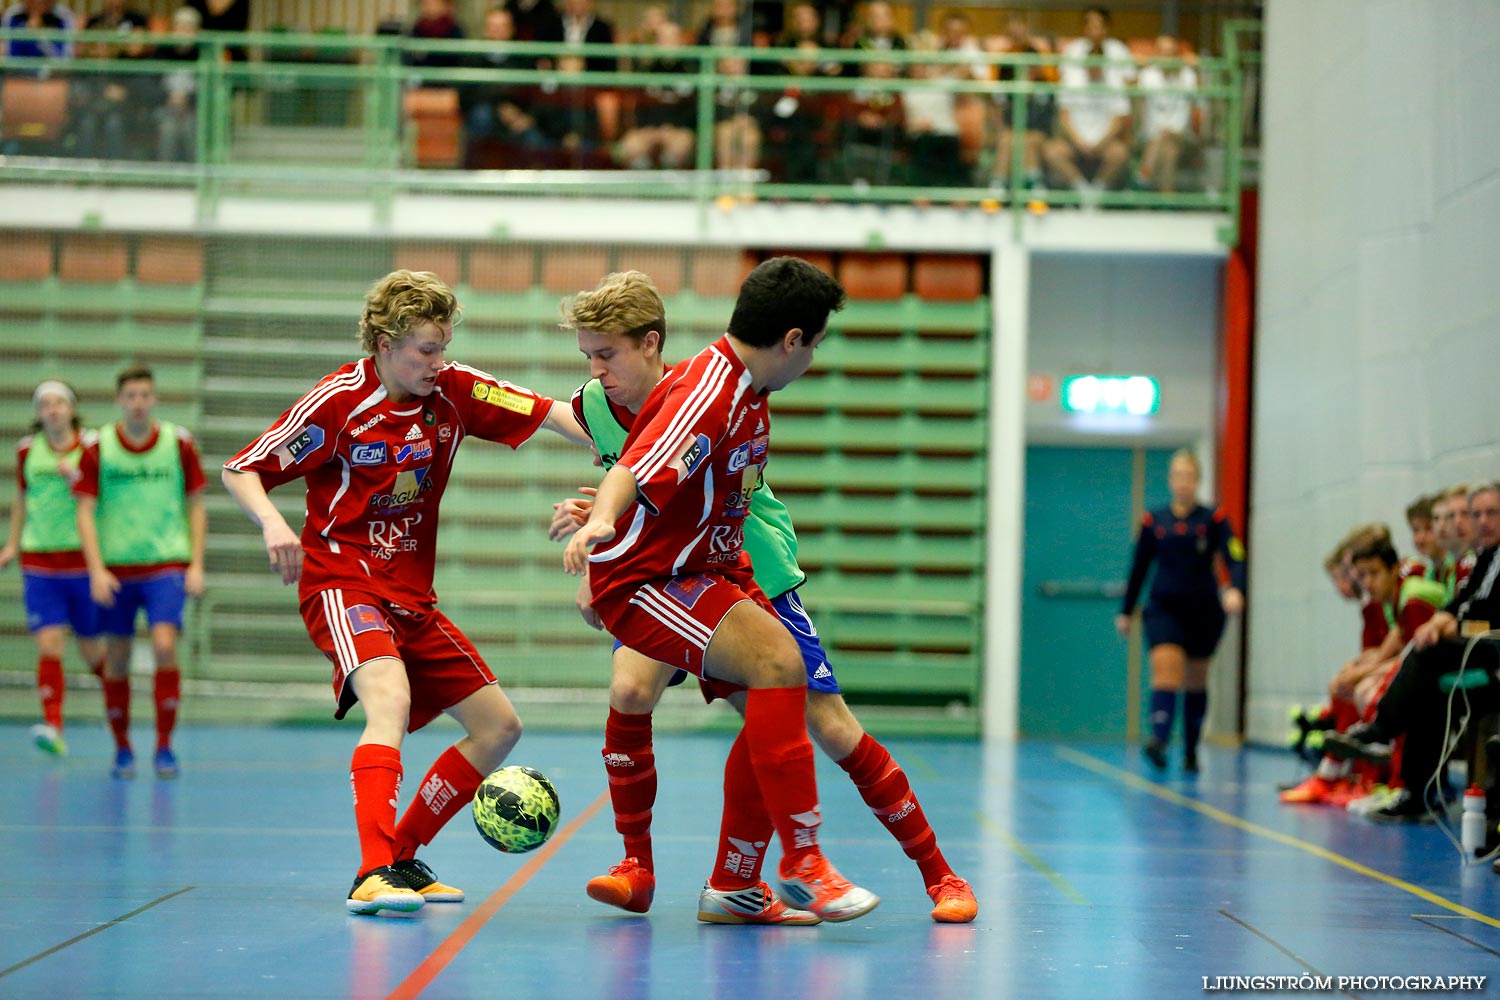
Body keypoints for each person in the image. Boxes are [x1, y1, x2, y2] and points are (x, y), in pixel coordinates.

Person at [553, 270, 978, 924]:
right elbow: (632, 471)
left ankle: (745, 882)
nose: (598, 369)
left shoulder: (746, 392)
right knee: (750, 670)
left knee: (793, 711)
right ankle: (795, 861)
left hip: (723, 572)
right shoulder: (707, 392)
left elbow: (683, 487)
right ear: (792, 340)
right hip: (652, 580)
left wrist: (616, 517)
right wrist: (605, 521)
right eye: (815, 347)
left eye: (606, 353)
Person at [222, 270, 592, 915]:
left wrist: (634, 458)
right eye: (425, 348)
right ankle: (371, 873)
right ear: (385, 342)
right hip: (342, 582)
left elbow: (556, 414)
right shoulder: (339, 401)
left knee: (498, 727)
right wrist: (274, 522)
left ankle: (401, 857)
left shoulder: (453, 390)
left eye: (443, 346)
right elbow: (241, 469)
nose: (437, 361)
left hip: (410, 598)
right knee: (387, 701)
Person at [1324, 482, 1500, 823]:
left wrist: (1453, 624)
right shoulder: (1483, 557)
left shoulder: (1426, 583)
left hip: (1492, 658)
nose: (1479, 521)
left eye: (1489, 513)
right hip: (1476, 650)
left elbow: (1488, 610)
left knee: (1426, 656)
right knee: (1428, 682)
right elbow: (1461, 601)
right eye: (1475, 513)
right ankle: (1417, 793)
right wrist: (1444, 619)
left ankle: (1381, 731)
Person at [73, 365, 205, 780]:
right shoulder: (98, 447)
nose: (138, 402)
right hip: (116, 569)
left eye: (145, 394)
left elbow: (196, 505)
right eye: (130, 395)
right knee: (117, 658)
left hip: (165, 564)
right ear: (119, 400)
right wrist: (95, 569)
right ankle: (123, 747)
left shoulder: (177, 443)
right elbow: (84, 511)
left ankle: (164, 745)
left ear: (154, 399)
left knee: (165, 646)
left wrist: (195, 563)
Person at [1116, 449, 1245, 772]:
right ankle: (1159, 740)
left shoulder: (1213, 519)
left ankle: (1190, 750)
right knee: (1166, 669)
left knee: (1196, 680)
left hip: (1203, 609)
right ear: (1170, 480)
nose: (1183, 483)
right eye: (1178, 476)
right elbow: (1139, 566)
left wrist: (1235, 588)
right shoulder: (1153, 520)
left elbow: (1235, 555)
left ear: (1197, 480)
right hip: (1164, 607)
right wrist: (1126, 609)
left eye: (1189, 476)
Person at [0, 380, 106, 756]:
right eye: (45, 404)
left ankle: (115, 706)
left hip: (82, 560)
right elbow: (22, 498)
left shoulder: (92, 447)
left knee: (93, 650)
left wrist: (75, 479)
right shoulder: (27, 450)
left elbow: (105, 497)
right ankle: (53, 725)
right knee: (49, 643)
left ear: (72, 408)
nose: (53, 409)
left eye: (60, 402)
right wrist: (12, 543)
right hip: (39, 560)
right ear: (38, 412)